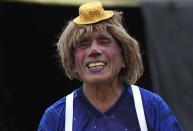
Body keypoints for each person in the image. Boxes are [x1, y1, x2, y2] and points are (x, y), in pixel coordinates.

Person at [38, 1, 183, 131]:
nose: (94, 50)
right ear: (73, 63)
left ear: (124, 57)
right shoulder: (57, 117)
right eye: (84, 44)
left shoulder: (151, 107)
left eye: (104, 41)